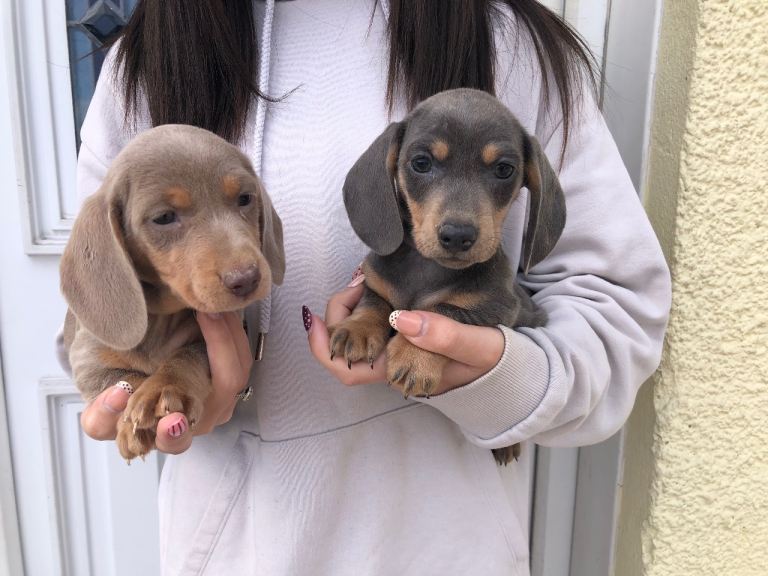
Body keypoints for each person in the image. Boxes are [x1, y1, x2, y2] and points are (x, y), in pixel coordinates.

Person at [71, 0, 671, 574]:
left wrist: (498, 380)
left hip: (446, 546)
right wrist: (149, 386)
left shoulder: (508, 43)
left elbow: (615, 313)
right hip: (234, 552)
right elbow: (96, 307)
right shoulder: (147, 60)